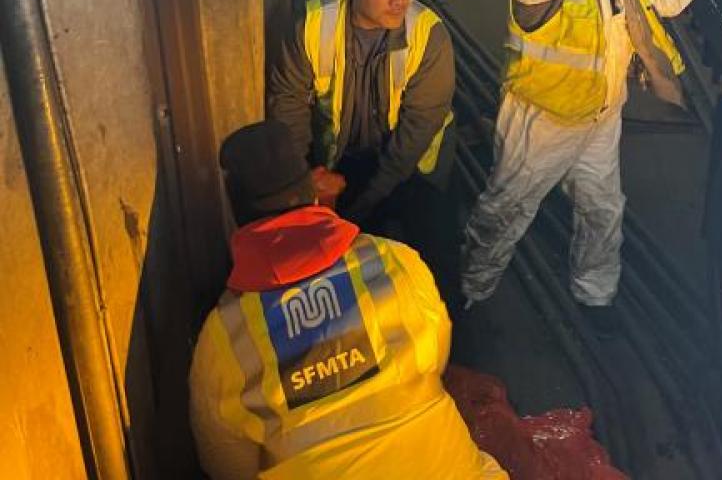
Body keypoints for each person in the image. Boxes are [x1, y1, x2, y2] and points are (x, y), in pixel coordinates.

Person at [460, 0, 710, 336]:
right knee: (507, 208)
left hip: (600, 114)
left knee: (603, 208)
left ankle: (596, 294)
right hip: (542, 119)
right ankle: (473, 289)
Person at [189, 120, 507, 480]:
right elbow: (435, 357)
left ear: (239, 216)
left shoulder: (225, 335)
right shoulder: (394, 262)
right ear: (312, 191)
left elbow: (226, 463)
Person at [267, 0, 459, 307]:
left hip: (414, 164)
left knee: (434, 254)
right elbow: (287, 105)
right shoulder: (311, 26)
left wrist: (364, 205)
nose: (400, 0)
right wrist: (309, 180)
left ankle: (447, 328)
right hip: (341, 156)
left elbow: (417, 129)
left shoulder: (428, 35)